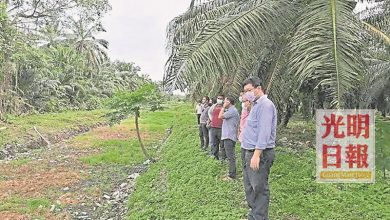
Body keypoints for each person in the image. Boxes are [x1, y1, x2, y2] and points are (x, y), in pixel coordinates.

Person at [241, 76, 277, 220]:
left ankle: (259, 216)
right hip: (248, 150)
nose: (246, 94)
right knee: (249, 187)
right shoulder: (255, 105)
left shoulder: (265, 105)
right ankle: (254, 214)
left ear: (258, 88)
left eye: (249, 90)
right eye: (244, 91)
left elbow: (264, 132)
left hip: (259, 153)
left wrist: (257, 154)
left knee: (259, 188)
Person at [218, 96, 240, 180]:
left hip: (229, 136)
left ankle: (232, 175)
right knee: (229, 156)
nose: (223, 102)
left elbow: (220, 116)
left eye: (225, 101)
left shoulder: (232, 111)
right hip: (228, 136)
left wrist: (223, 107)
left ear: (229, 102)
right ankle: (231, 173)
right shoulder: (231, 111)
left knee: (230, 156)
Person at [208, 95, 226, 160]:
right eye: (218, 98)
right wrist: (211, 119)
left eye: (221, 98)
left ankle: (223, 158)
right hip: (213, 127)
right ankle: (215, 156)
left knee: (222, 144)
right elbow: (209, 112)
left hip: (221, 128)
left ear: (223, 99)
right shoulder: (214, 106)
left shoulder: (225, 107)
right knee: (214, 143)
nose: (219, 99)